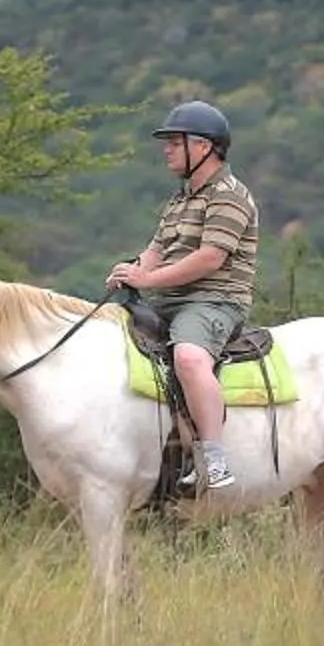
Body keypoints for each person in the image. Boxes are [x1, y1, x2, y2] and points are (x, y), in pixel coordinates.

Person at [106, 99, 259, 493]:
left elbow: (209, 259)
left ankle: (213, 458)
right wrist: (132, 270)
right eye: (168, 142)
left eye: (176, 141)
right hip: (169, 300)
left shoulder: (230, 195)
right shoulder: (180, 198)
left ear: (204, 147)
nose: (167, 148)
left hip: (213, 300)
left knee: (189, 357)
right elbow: (156, 249)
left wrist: (150, 279)